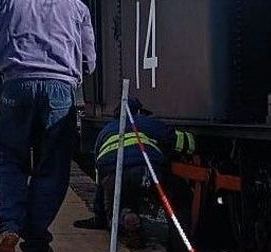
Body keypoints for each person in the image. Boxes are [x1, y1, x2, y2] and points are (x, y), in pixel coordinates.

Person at [0, 0, 96, 252]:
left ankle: (10, 225)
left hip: (15, 86)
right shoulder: (76, 6)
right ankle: (36, 242)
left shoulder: (3, 2)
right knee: (53, 167)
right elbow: (89, 60)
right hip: (60, 89)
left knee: (12, 161)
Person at [74, 96, 194, 233]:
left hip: (113, 175)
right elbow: (180, 140)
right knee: (179, 196)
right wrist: (192, 145)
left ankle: (125, 218)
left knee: (118, 197)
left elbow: (101, 176)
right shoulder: (145, 122)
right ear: (138, 112)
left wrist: (99, 215)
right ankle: (178, 245)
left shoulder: (106, 130)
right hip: (145, 171)